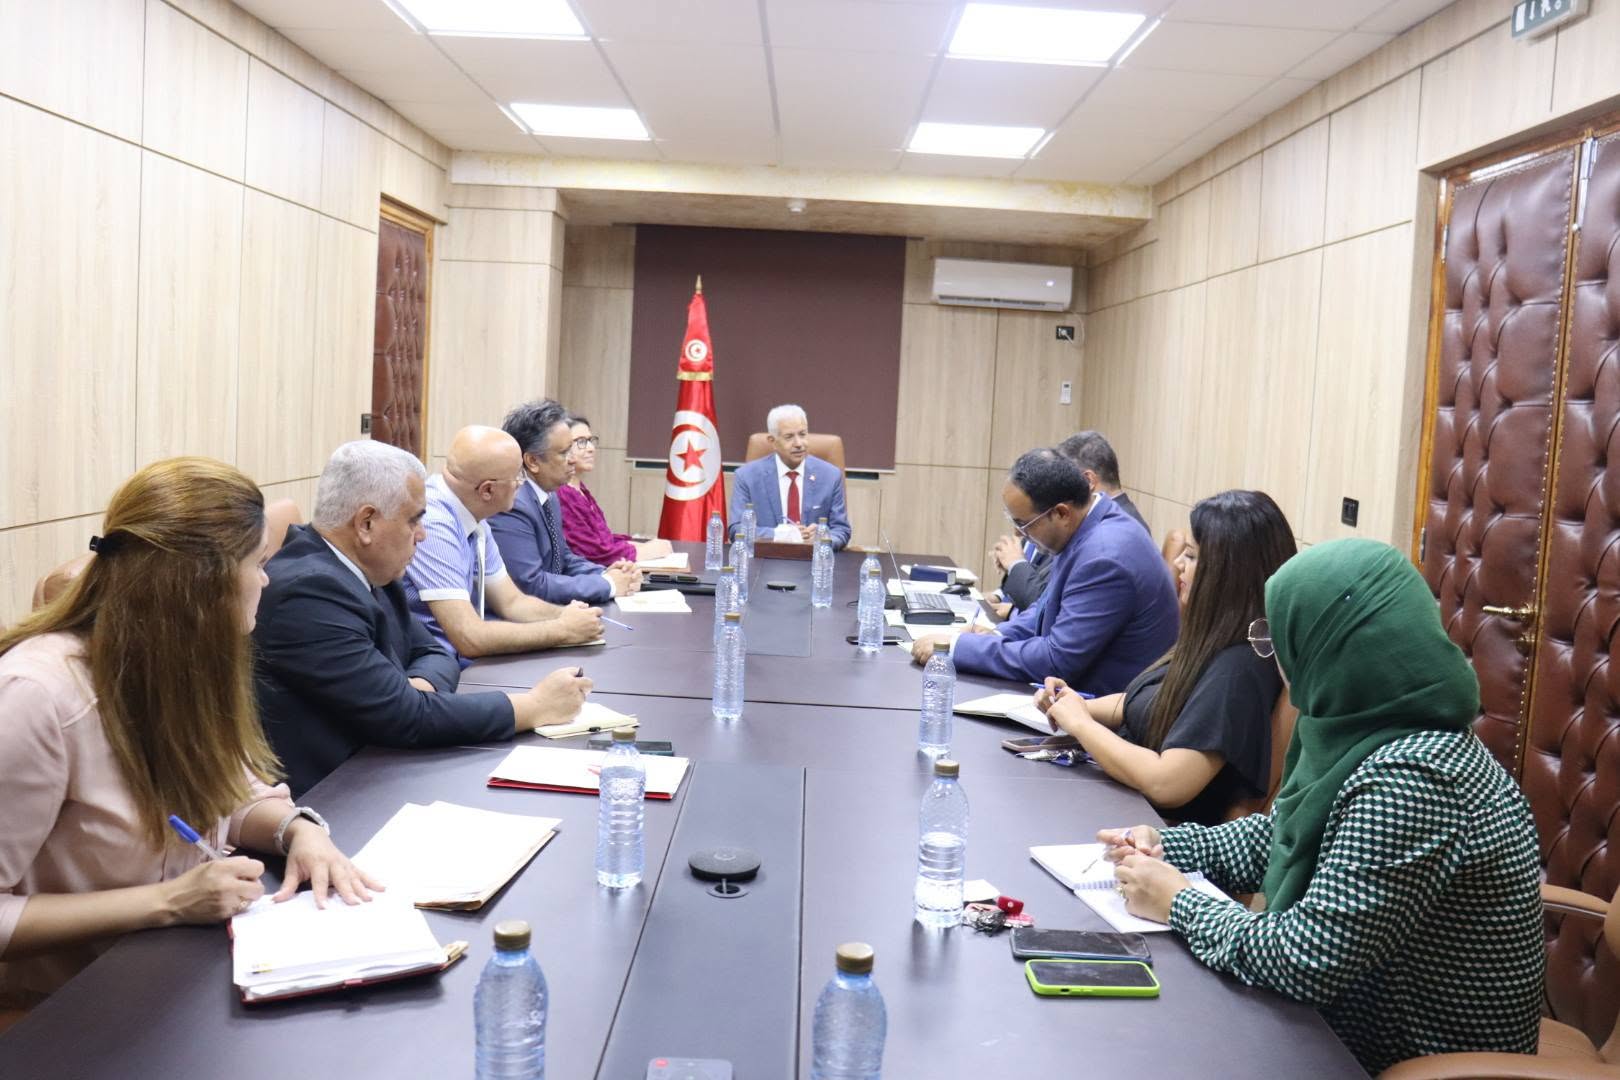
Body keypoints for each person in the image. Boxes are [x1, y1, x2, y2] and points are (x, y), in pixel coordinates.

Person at [1099, 539, 1544, 1075]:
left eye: (1284, 637)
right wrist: (1168, 846)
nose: (1278, 657)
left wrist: (1178, 902)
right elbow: (1283, 834)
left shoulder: (1417, 777)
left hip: (1408, 1053)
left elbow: (1305, 960)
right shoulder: (1364, 727)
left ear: (1331, 646)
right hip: (1344, 1020)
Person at [0, 458, 379, 1010]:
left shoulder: (183, 663)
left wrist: (298, 831)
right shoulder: (39, 697)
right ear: (204, 584)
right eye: (260, 563)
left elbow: (232, 791)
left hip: (173, 983)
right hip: (62, 1011)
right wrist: (170, 901)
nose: (267, 581)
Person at [254, 441, 595, 797]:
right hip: (333, 796)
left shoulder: (368, 569)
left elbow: (434, 652)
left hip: (381, 767)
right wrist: (535, 706)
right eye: (414, 519)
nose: (422, 534)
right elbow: (405, 718)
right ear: (366, 523)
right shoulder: (309, 592)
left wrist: (416, 691)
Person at [1035, 491, 1295, 825]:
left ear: (1229, 573)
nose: (1179, 564)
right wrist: (1075, 705)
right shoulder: (1215, 638)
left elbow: (1167, 784)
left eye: (1193, 556)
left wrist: (1081, 724)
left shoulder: (1239, 668)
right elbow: (1150, 702)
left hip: (1153, 831)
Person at [914, 448, 1177, 691]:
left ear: (1061, 513)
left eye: (1024, 523)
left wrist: (956, 648)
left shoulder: (1105, 557)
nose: (1019, 533)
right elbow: (1045, 609)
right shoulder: (1086, 528)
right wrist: (995, 634)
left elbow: (1056, 661)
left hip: (1103, 709)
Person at [404, 424, 606, 664]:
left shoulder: (473, 510)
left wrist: (568, 615)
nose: (522, 483)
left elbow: (512, 602)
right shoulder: (434, 523)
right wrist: (563, 630)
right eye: (518, 476)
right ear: (487, 490)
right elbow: (469, 637)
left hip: (467, 664)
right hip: (438, 671)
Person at [489, 401, 642, 605]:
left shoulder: (549, 495)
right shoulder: (512, 505)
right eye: (563, 453)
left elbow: (564, 559)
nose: (572, 459)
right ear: (532, 461)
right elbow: (530, 585)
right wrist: (608, 584)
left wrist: (608, 573)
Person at [992, 431, 1148, 616]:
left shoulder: (1112, 537)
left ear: (1087, 480)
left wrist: (1016, 565)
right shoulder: (1081, 521)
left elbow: (1055, 611)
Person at [556, 413, 673, 567]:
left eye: (591, 440)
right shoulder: (562, 493)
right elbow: (593, 554)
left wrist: (636, 544)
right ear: (562, 448)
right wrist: (644, 551)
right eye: (581, 442)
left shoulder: (580, 489)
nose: (591, 448)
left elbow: (603, 539)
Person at [728, 404, 851, 548]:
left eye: (802, 434)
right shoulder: (746, 476)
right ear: (772, 441)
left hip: (814, 558)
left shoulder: (830, 476)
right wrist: (780, 535)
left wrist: (824, 538)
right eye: (789, 437)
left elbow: (841, 530)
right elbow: (737, 530)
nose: (798, 444)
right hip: (766, 559)